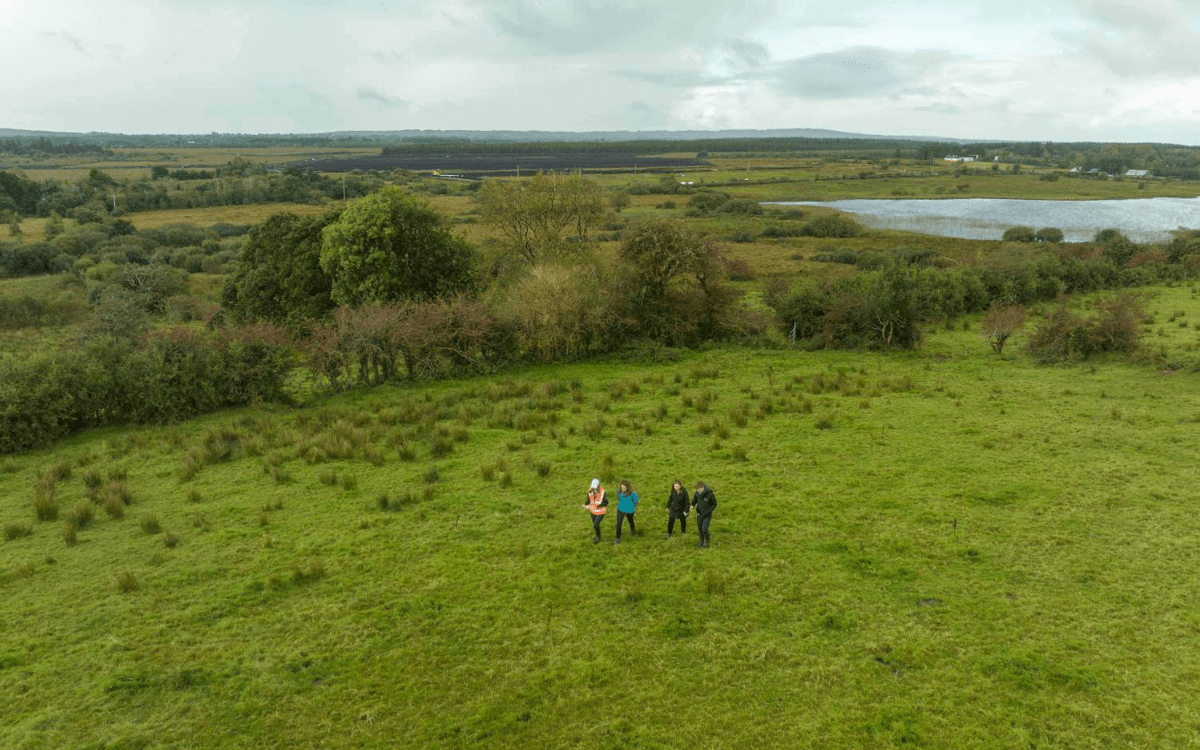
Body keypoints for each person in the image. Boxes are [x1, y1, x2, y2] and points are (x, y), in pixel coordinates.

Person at [691, 481, 717, 548]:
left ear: (702, 488)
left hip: (707, 515)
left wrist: (709, 511)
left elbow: (714, 504)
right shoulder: (697, 493)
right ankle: (701, 541)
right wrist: (691, 505)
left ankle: (707, 540)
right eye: (697, 489)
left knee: (704, 529)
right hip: (699, 514)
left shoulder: (709, 494)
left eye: (699, 489)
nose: (698, 490)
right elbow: (694, 500)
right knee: (700, 529)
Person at [583, 478, 607, 544]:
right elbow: (588, 500)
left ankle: (598, 537)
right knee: (595, 525)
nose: (594, 488)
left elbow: (606, 502)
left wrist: (599, 506)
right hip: (593, 512)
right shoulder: (590, 491)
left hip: (600, 512)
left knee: (595, 525)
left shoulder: (603, 492)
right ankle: (598, 535)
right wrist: (586, 505)